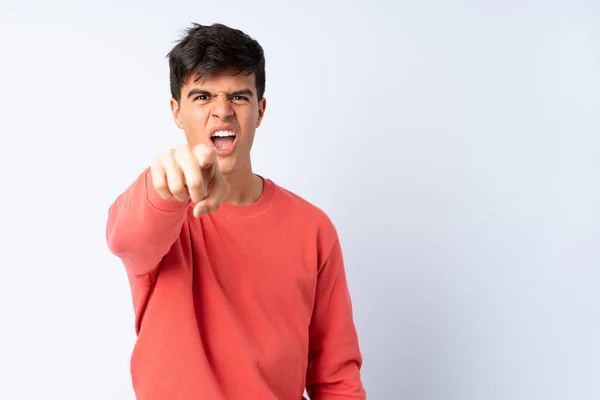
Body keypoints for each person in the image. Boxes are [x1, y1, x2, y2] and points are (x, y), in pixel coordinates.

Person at [105, 22, 366, 400]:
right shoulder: (160, 210)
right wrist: (165, 184)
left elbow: (335, 378)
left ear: (260, 110)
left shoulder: (313, 228)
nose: (222, 112)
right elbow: (124, 237)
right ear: (176, 111)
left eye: (239, 97)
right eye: (203, 97)